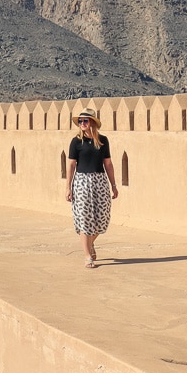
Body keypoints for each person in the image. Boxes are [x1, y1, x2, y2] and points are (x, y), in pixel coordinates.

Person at [65, 108, 118, 268]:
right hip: (82, 182)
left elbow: (108, 163)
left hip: (100, 181)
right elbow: (71, 165)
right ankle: (88, 256)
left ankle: (89, 243)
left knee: (102, 218)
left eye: (85, 121)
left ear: (92, 123)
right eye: (80, 121)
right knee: (84, 218)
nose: (82, 123)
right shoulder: (76, 142)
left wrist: (113, 185)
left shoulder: (103, 140)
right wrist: (68, 187)